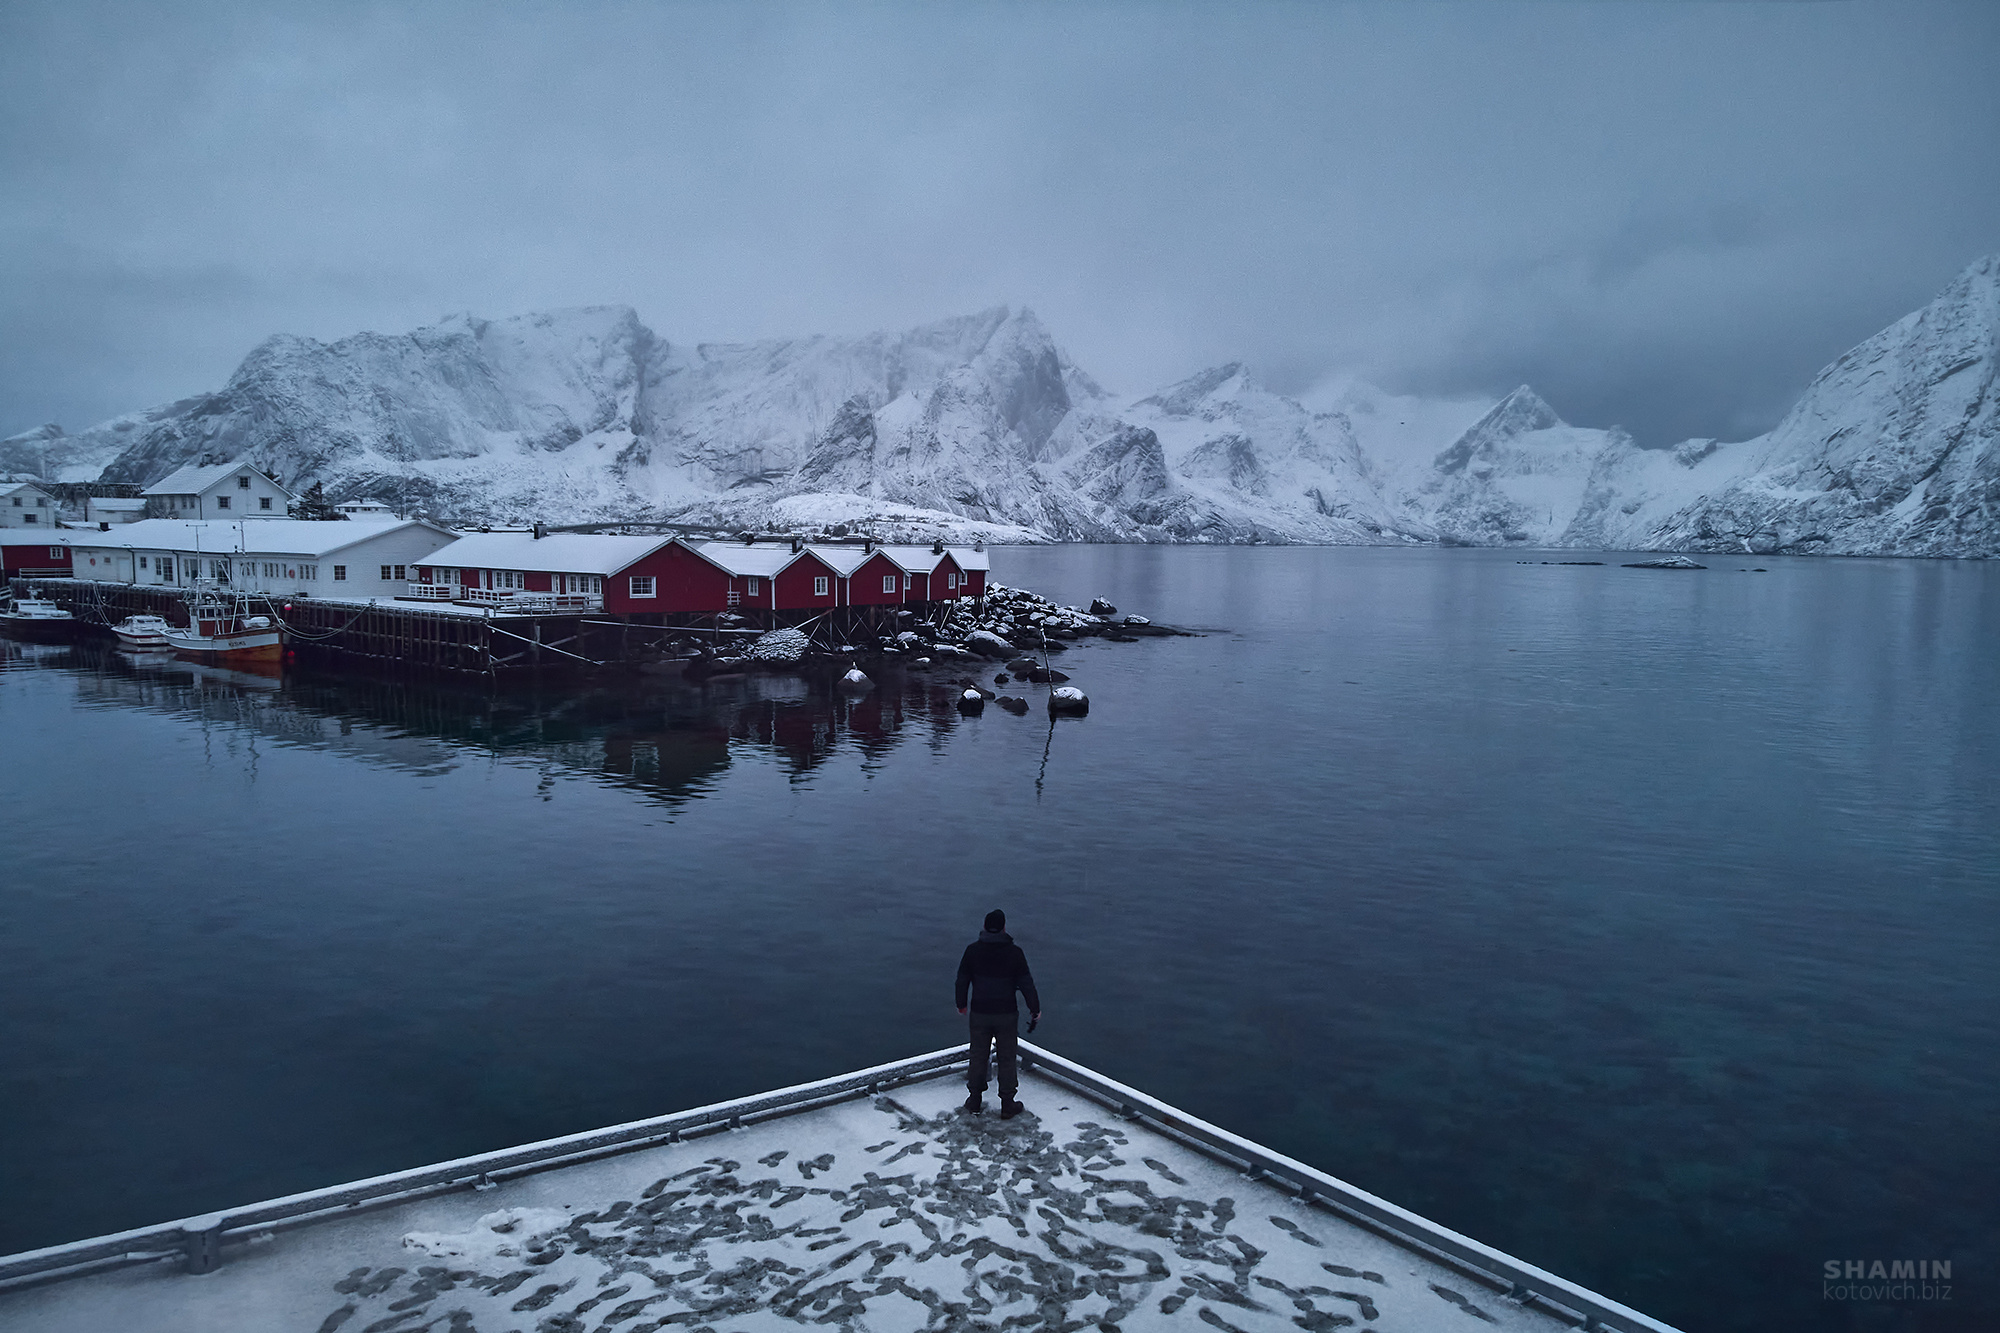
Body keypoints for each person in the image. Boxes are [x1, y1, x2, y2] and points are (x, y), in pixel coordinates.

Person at [955, 909, 1041, 1118]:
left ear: (985, 927)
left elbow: (962, 979)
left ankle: (974, 1099)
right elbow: (1026, 984)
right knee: (1007, 1057)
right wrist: (1035, 1009)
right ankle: (1007, 1103)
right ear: (1003, 928)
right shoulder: (1015, 953)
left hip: (980, 1012)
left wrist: (961, 1004)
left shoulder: (972, 951)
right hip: (1006, 1013)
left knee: (978, 1055)